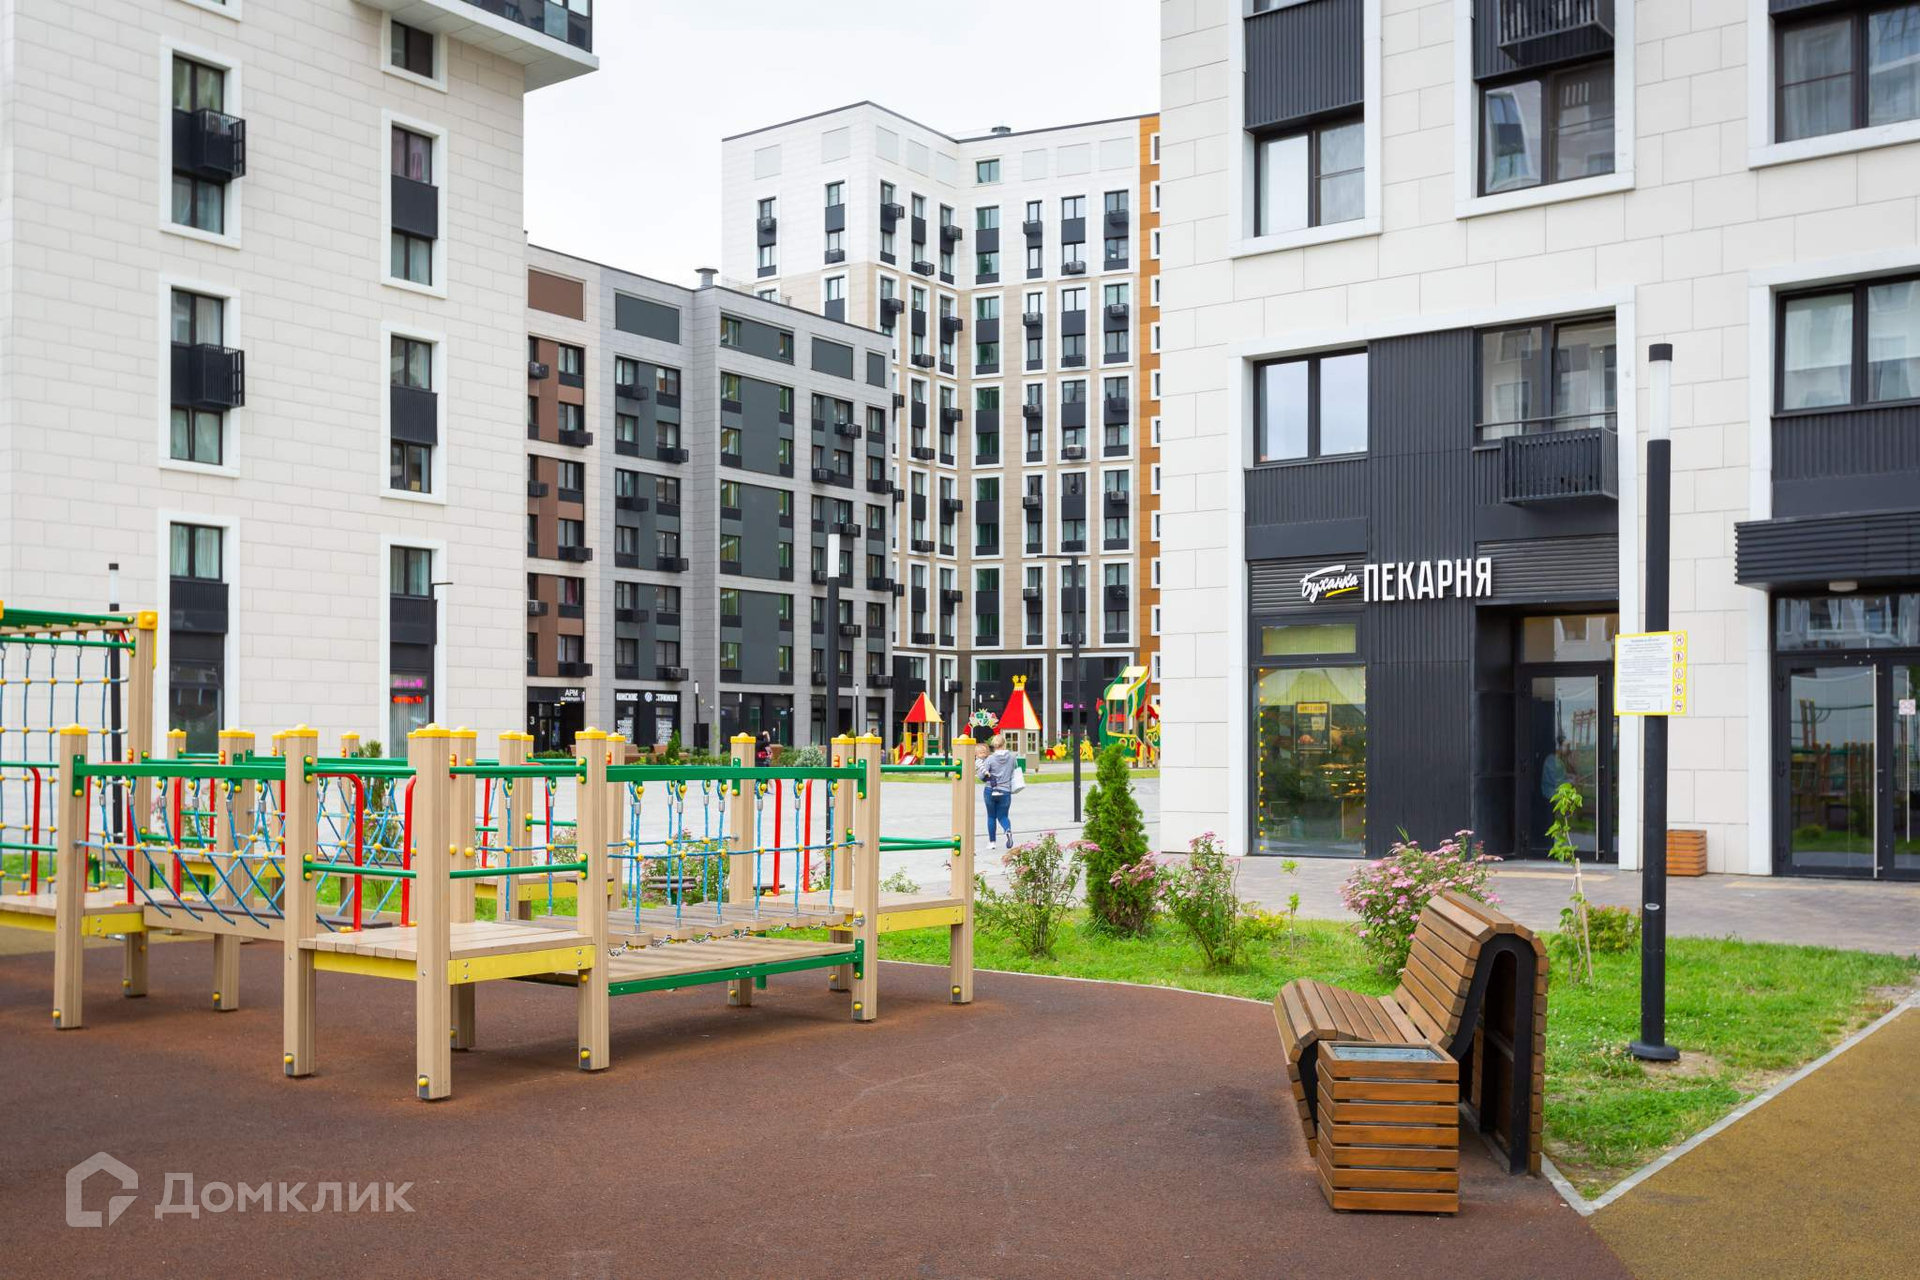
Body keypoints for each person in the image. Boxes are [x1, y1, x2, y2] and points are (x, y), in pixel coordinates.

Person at [976, 732, 1017, 853]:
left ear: (994, 746)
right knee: (1003, 816)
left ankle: (992, 842)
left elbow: (981, 775)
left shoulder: (990, 759)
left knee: (991, 816)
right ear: (1004, 744)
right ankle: (1007, 830)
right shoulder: (1012, 757)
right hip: (1005, 790)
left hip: (991, 790)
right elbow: (1014, 770)